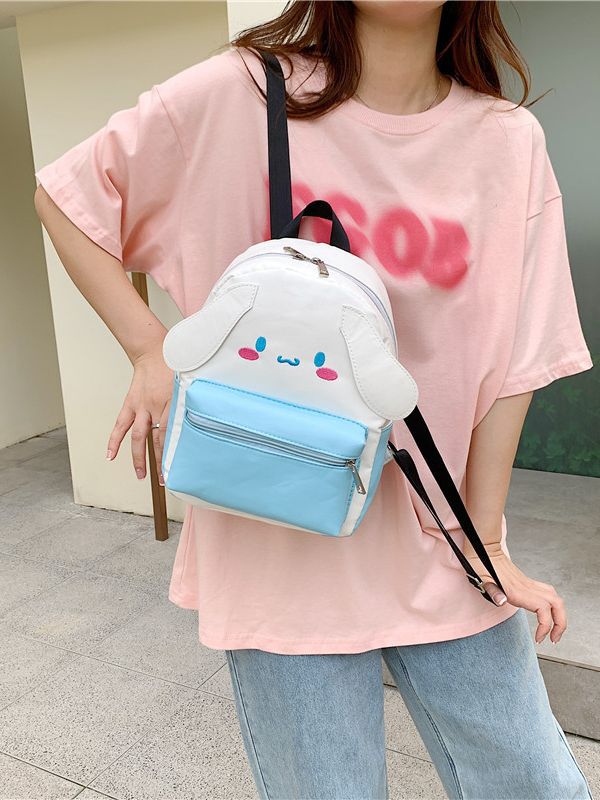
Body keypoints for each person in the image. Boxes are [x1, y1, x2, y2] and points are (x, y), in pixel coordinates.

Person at [34, 1, 594, 798]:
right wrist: (148, 348)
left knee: (535, 785)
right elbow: (69, 197)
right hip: (277, 535)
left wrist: (488, 540)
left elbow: (518, 361)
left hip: (442, 538)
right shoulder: (243, 94)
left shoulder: (506, 141)